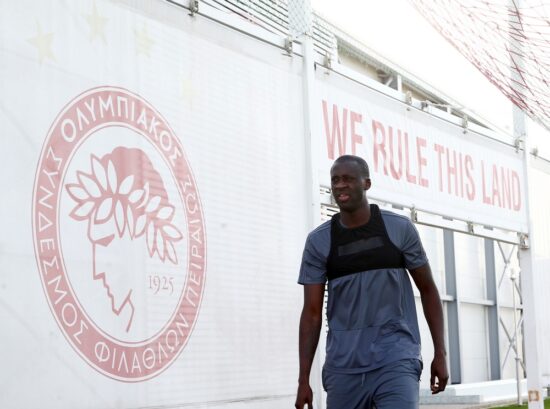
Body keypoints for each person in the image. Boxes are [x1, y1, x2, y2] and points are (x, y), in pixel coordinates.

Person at [295, 155, 448, 409]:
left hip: (396, 359)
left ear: (366, 183)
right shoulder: (318, 242)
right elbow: (311, 314)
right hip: (343, 367)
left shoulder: (399, 228)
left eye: (348, 179)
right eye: (335, 180)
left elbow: (428, 290)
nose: (340, 185)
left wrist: (440, 353)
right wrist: (303, 379)